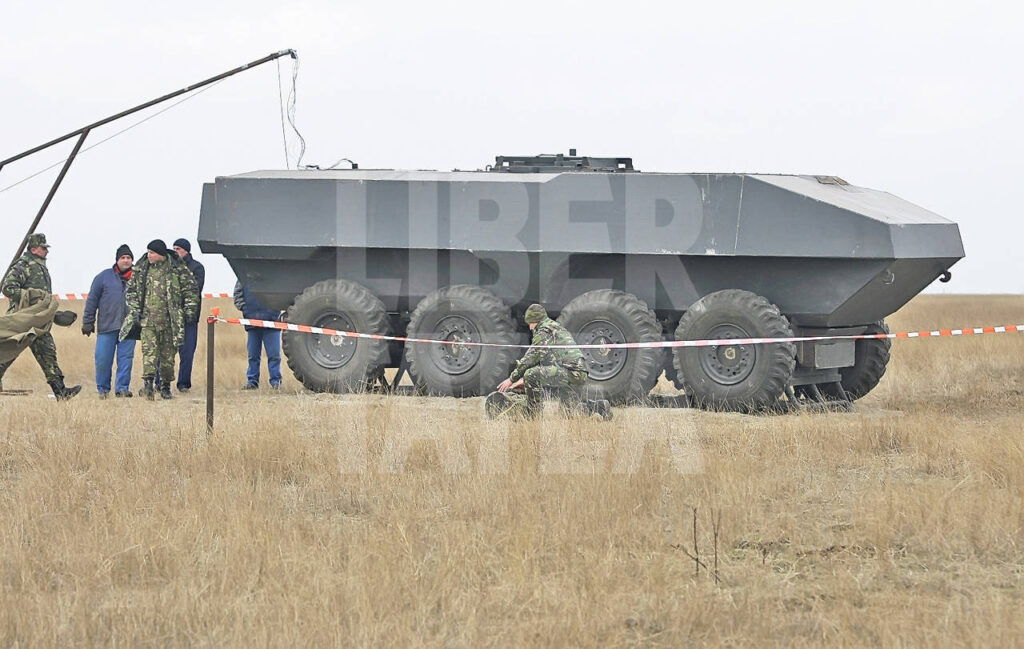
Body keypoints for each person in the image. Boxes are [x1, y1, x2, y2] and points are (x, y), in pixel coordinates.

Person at [0, 233, 81, 399]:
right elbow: (8, 288)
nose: (47, 251)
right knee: (7, 353)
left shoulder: (40, 266)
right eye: (44, 248)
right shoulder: (23, 266)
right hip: (22, 321)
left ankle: (60, 391)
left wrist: (51, 312)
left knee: (47, 353)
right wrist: (32, 296)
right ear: (34, 248)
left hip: (38, 322)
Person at [496, 303, 611, 419]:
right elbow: (544, 358)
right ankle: (598, 407)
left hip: (571, 372)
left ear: (536, 320)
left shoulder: (544, 331)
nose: (530, 327)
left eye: (531, 323)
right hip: (577, 372)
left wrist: (512, 379)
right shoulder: (555, 327)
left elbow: (531, 357)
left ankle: (532, 414)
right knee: (569, 412)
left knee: (530, 375)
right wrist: (522, 380)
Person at [120, 239, 199, 400]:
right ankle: (148, 385)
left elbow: (190, 290)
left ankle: (165, 387)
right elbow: (131, 291)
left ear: (160, 254)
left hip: (170, 322)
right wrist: (135, 310)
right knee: (149, 354)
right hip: (148, 322)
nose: (148, 255)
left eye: (152, 252)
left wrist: (189, 310)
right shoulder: (142, 269)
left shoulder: (177, 269)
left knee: (168, 357)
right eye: (148, 252)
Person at [82, 244, 136, 398]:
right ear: (117, 260)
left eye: (129, 258)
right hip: (107, 326)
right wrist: (88, 321)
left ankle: (122, 388)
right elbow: (92, 300)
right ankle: (103, 389)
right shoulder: (103, 277)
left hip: (129, 327)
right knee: (103, 359)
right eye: (123, 258)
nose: (126, 261)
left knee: (126, 359)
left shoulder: (138, 277)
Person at [233, 281, 283, 390]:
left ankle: (276, 382)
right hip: (252, 323)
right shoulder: (244, 275)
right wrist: (246, 310)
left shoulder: (274, 275)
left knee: (274, 356)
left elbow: (282, 294)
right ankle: (252, 382)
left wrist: (275, 311)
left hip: (272, 322)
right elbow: (237, 294)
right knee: (253, 355)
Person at [171, 238, 204, 393]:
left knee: (187, 352)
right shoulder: (170, 267)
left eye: (178, 248)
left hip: (189, 317)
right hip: (171, 316)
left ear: (186, 251)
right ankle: (160, 381)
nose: (175, 251)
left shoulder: (197, 268)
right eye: (174, 248)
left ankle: (183, 383)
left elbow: (194, 290)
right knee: (165, 351)